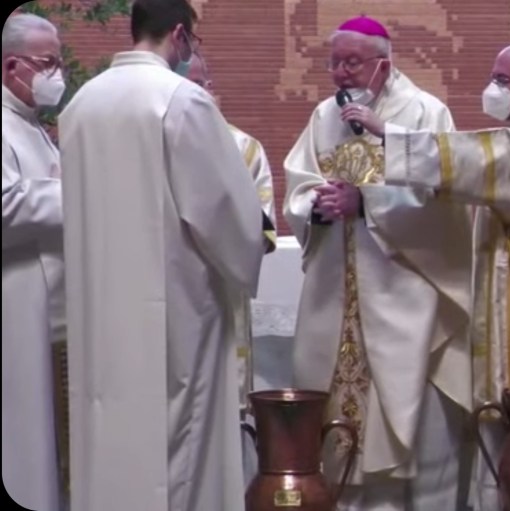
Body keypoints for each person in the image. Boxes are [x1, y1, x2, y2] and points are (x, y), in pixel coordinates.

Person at [341, 41, 510, 510]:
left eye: (502, 80)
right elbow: (471, 174)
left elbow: (479, 159)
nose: (492, 88)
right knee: (506, 417)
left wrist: (391, 135)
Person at [58, 0, 265, 509]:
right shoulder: (181, 100)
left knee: (107, 433)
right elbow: (224, 213)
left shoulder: (81, 104)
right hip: (176, 308)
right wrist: (250, 241)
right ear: (179, 34)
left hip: (99, 309)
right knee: (178, 446)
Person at [283, 16, 473, 510]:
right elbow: (299, 182)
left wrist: (366, 203)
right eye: (334, 62)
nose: (341, 73)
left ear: (383, 65)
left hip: (401, 293)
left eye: (352, 62)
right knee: (328, 402)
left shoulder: (426, 112)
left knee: (402, 409)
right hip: (334, 292)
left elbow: (444, 199)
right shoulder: (324, 115)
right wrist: (315, 207)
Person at [185, 51, 277, 417]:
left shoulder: (243, 148)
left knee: (226, 400)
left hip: (222, 286)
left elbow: (261, 226)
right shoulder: (149, 142)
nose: (190, 94)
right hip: (168, 285)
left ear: (211, 88)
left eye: (197, 84)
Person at [2, 13, 66, 511]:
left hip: (46, 301)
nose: (57, 75)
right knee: (23, 434)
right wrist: (78, 189)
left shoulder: (29, 124)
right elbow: (6, 206)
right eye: (48, 64)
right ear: (11, 66)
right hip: (16, 299)